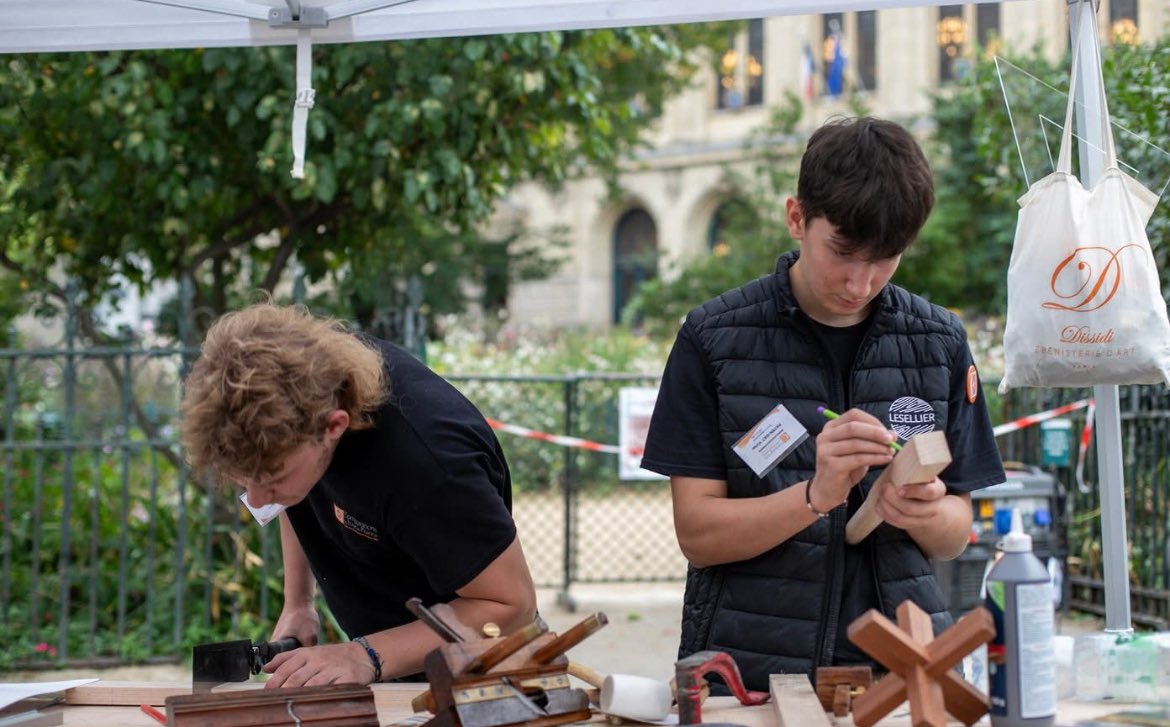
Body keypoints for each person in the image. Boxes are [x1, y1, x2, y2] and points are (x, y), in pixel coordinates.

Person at [640, 117, 1005, 691]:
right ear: (796, 218)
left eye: (886, 258)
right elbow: (698, 534)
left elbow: (957, 532)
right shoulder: (714, 338)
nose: (861, 283)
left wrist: (927, 511)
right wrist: (816, 495)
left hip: (904, 667)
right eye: (843, 252)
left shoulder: (939, 341)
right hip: (751, 672)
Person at [180, 303, 536, 688]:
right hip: (386, 651)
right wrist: (298, 602)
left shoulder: (430, 465)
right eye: (243, 480)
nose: (260, 499)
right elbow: (290, 494)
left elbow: (511, 605)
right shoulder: (307, 389)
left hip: (476, 667)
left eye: (274, 478)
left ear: (334, 426)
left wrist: (365, 655)